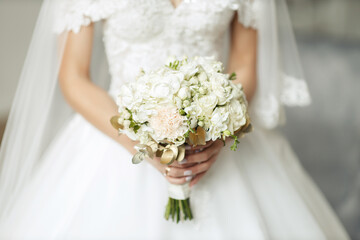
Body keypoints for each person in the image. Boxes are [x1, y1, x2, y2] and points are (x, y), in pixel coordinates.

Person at [0, 0, 350, 239]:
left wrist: (217, 131)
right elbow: (74, 77)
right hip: (114, 140)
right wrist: (141, 141)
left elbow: (245, 65)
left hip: (215, 137)